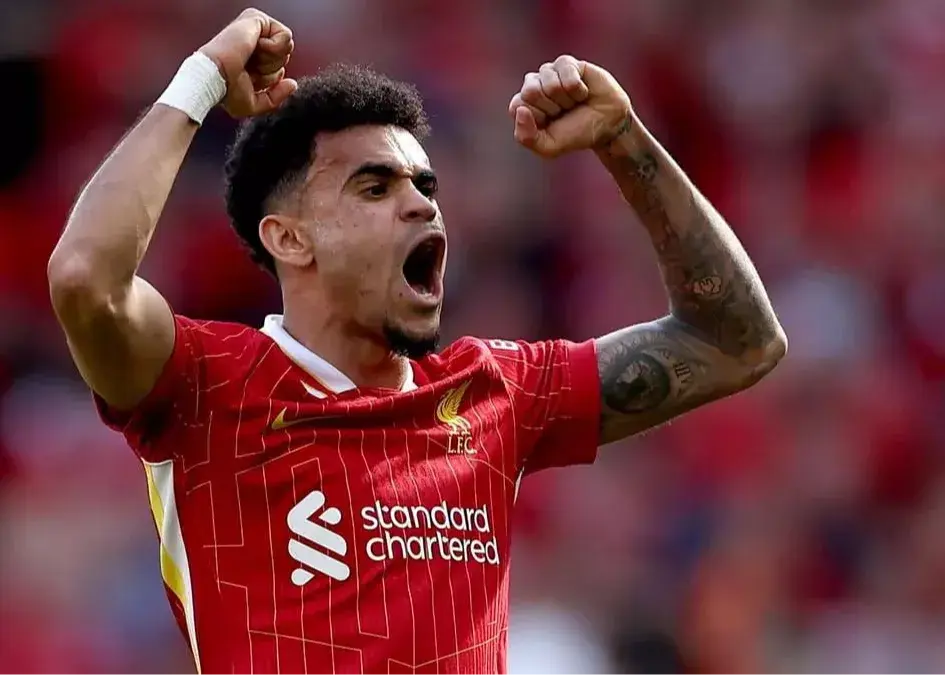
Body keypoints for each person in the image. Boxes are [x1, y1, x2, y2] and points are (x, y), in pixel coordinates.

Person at [47, 8, 786, 675]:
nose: (421, 206)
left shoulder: (496, 393)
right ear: (290, 238)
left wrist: (624, 141)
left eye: (425, 187)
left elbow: (736, 341)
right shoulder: (206, 385)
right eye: (375, 188)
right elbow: (85, 276)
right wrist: (202, 78)